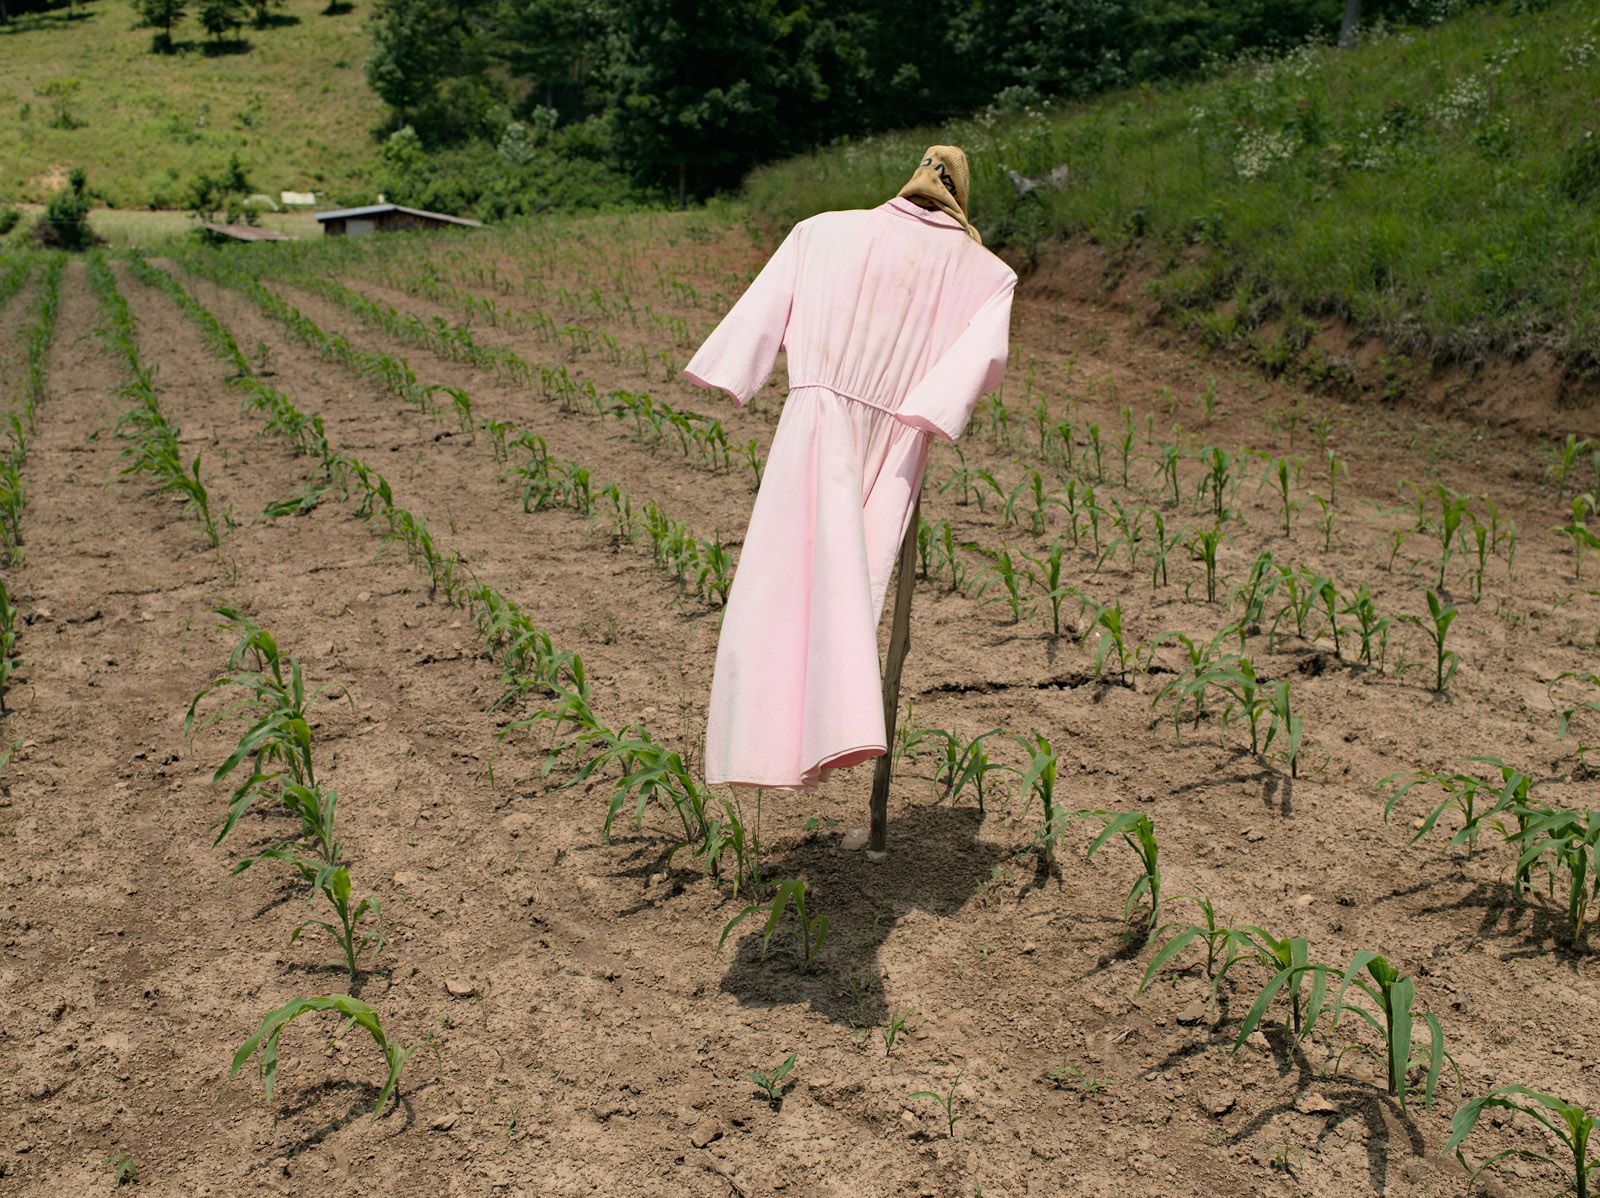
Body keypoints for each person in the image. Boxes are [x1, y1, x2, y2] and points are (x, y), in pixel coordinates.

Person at [683, 146, 1017, 791]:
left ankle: (780, 743)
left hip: (818, 428)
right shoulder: (989, 274)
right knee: (848, 592)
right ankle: (817, 739)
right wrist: (924, 408)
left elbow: (753, 325)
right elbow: (969, 372)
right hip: (896, 439)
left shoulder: (820, 232)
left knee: (780, 587)